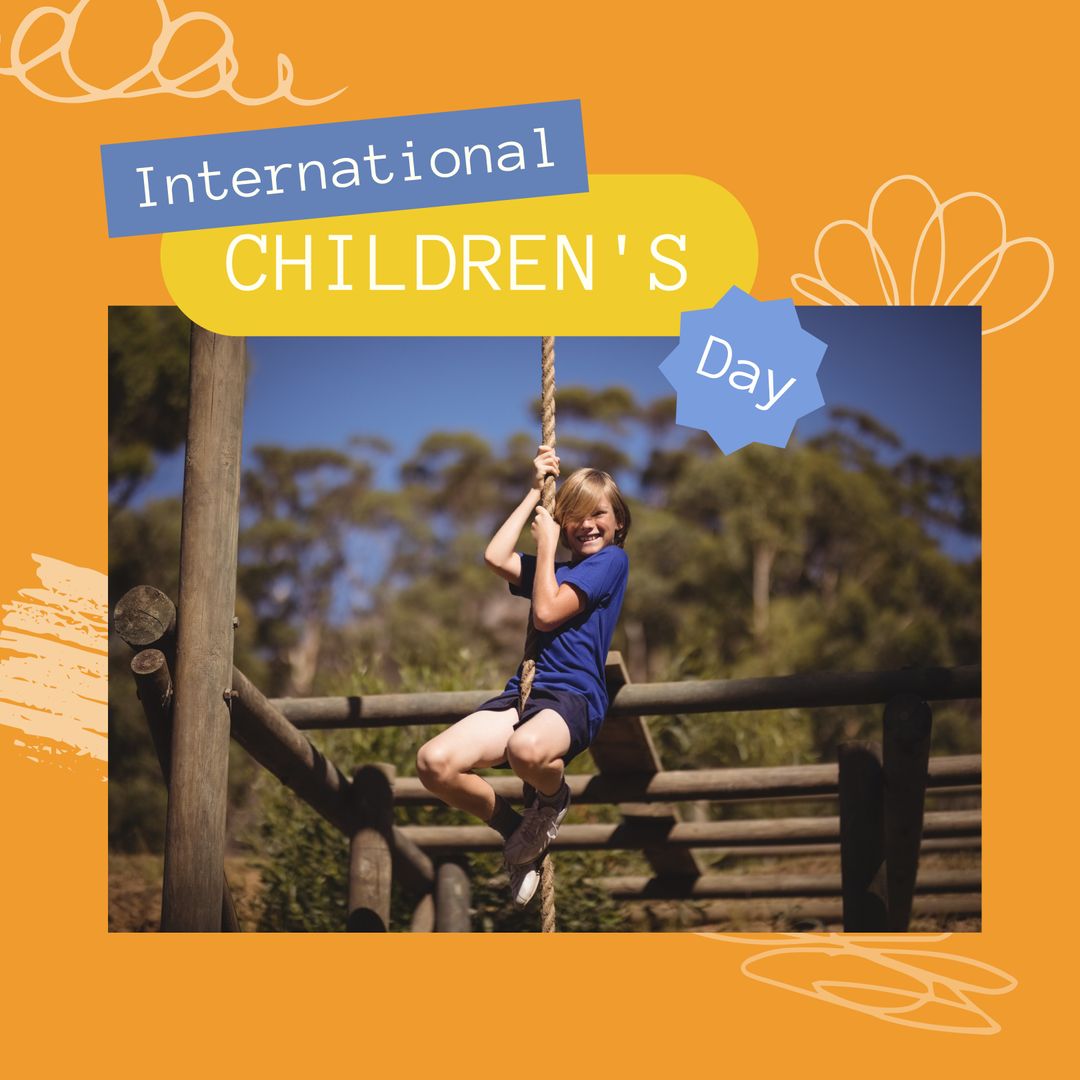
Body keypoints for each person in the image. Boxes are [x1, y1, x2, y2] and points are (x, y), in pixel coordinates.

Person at [416, 444, 631, 907]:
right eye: (574, 515)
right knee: (434, 764)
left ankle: (551, 802)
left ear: (618, 523)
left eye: (599, 514)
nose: (588, 524)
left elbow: (549, 612)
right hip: (523, 696)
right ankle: (518, 831)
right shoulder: (554, 570)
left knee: (526, 750)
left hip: (573, 696)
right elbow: (495, 557)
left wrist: (549, 546)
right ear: (562, 521)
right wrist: (534, 493)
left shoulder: (611, 563)